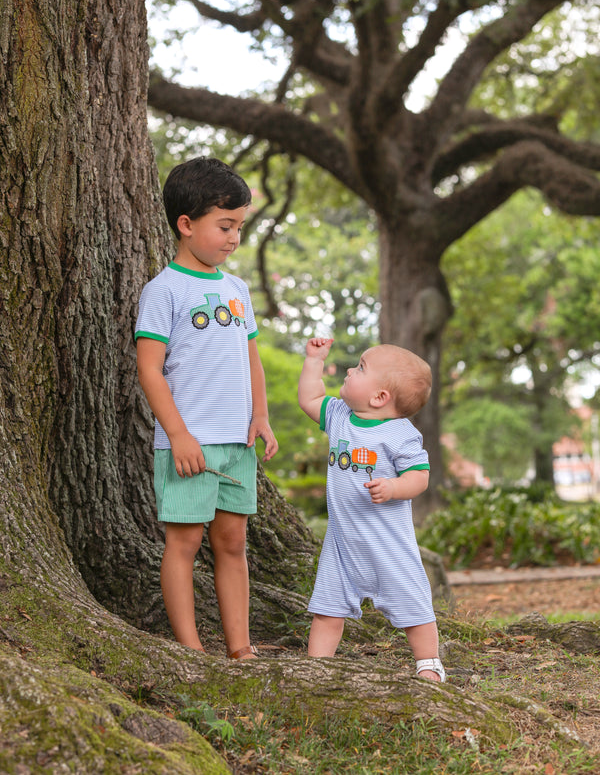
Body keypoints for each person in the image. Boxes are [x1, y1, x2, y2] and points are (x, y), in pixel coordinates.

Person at [135, 156, 278, 660]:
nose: (235, 237)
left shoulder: (237, 291)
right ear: (187, 224)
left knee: (232, 541)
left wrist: (260, 416)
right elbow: (150, 370)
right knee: (184, 544)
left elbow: (251, 359)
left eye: (239, 226)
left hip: (235, 442)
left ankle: (239, 647)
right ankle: (191, 650)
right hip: (188, 444)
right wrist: (178, 435)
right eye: (225, 226)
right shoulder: (163, 291)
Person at [298, 337, 445, 682]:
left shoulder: (400, 434)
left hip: (388, 544)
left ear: (380, 397)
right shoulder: (338, 416)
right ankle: (318, 667)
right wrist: (314, 360)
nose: (350, 369)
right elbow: (310, 398)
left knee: (413, 604)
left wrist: (394, 487)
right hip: (342, 543)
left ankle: (428, 662)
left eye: (361, 368)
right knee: (327, 607)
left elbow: (420, 477)